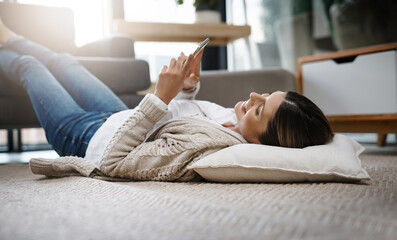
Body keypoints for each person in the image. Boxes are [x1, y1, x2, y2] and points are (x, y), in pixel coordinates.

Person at [0, 21, 333, 181]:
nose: (252, 97)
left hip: (85, 138)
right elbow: (179, 117)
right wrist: (187, 89)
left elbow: (114, 162)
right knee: (66, 62)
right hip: (118, 115)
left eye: (259, 108)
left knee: (30, 68)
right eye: (264, 94)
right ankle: (12, 38)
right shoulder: (234, 123)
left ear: (263, 141)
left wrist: (161, 95)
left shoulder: (206, 150)